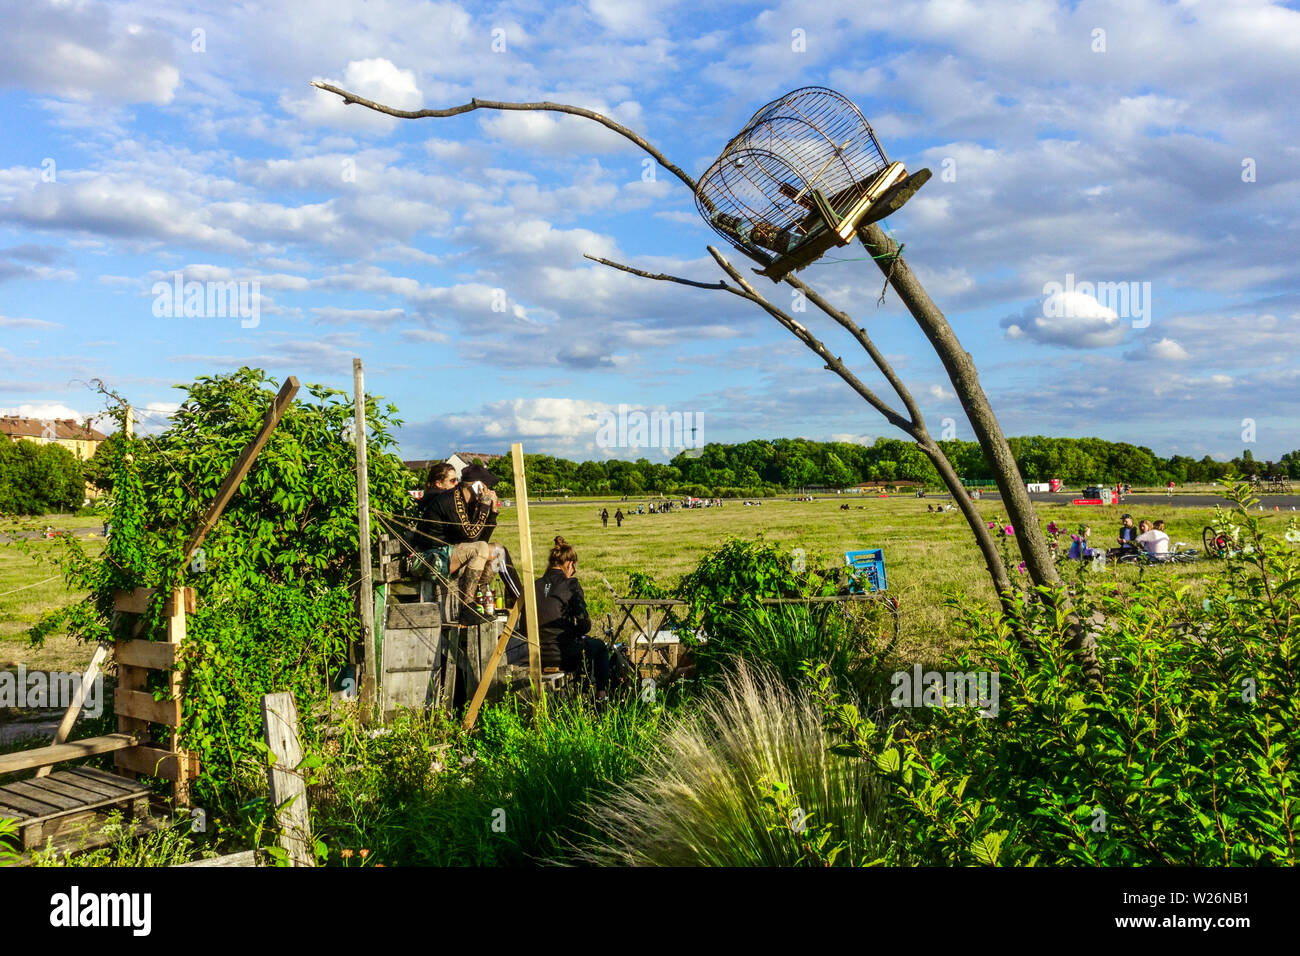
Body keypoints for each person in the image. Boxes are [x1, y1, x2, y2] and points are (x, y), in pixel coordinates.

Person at [414, 463, 521, 622]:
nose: (490, 491)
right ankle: (467, 607)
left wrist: (492, 512)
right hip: (431, 558)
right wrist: (484, 506)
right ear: (478, 486)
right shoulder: (451, 500)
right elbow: (472, 538)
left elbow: (481, 539)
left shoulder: (467, 502)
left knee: (498, 550)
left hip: (450, 554)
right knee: (480, 549)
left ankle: (515, 600)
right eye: (487, 487)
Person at [534, 536, 609, 700]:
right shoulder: (571, 585)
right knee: (600, 647)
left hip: (536, 655)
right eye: (573, 566)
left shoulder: (535, 584)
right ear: (569, 564)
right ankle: (601, 695)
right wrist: (573, 630)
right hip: (563, 655)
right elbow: (584, 625)